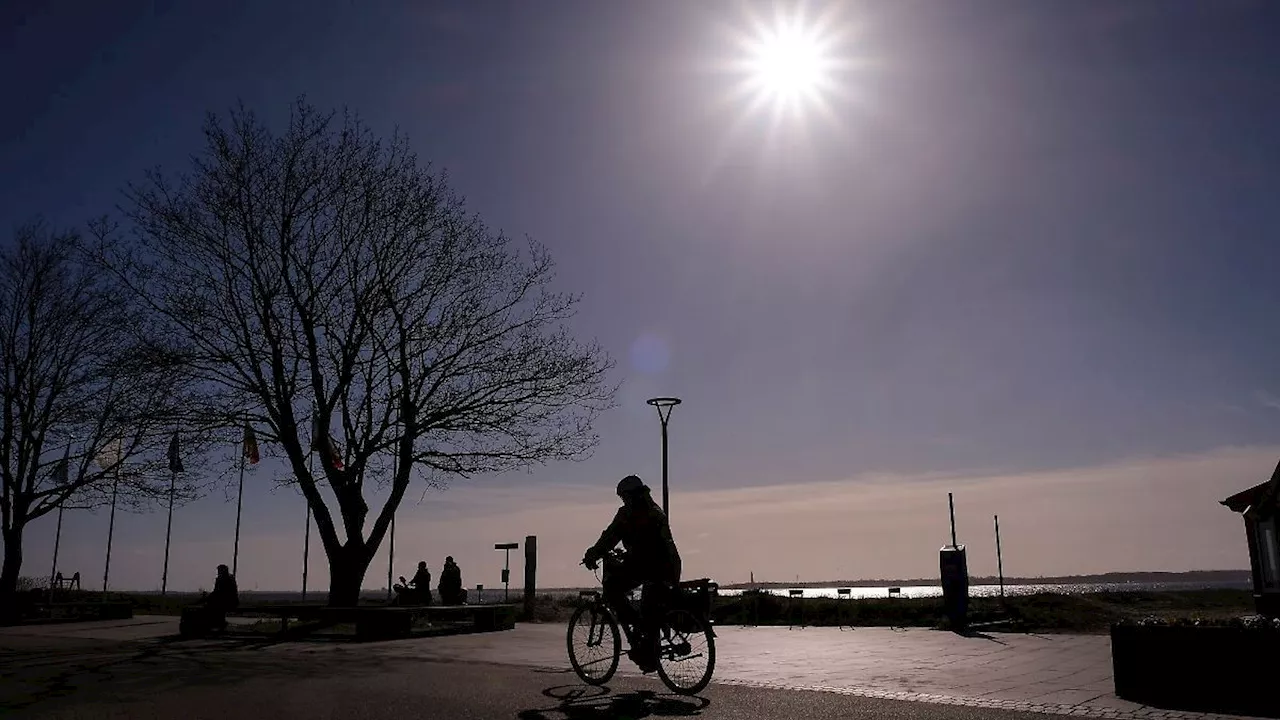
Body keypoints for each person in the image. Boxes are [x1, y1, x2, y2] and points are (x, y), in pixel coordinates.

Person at [583, 475, 682, 673]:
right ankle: (647, 652)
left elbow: (610, 536)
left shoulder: (628, 513)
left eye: (623, 497)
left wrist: (592, 554)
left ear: (628, 495)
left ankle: (640, 638)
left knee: (612, 589)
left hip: (647, 566)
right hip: (670, 566)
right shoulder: (655, 510)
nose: (623, 501)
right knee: (651, 610)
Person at [206, 564, 239, 632]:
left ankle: (218, 624)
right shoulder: (227, 578)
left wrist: (209, 597)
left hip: (229, 601)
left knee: (215, 606)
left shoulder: (226, 579)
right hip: (226, 601)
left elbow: (219, 592)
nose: (218, 572)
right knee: (214, 604)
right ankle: (218, 623)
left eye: (219, 571)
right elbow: (216, 592)